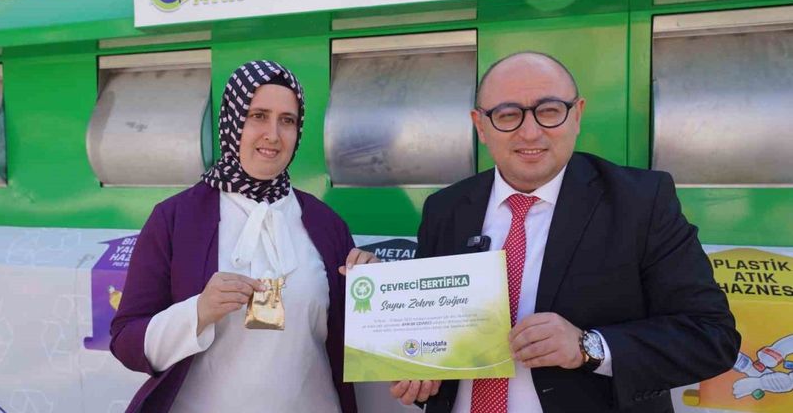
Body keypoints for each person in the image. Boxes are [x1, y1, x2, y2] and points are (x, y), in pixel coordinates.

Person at [390, 52, 740, 412]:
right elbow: (431, 341)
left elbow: (711, 336)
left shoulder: (641, 202)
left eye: (549, 111)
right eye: (507, 115)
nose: (530, 132)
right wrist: (417, 372)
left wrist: (589, 347)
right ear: (480, 125)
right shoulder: (444, 209)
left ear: (577, 114)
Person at [110, 60, 375, 413]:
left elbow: (358, 342)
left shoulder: (327, 225)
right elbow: (126, 341)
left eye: (287, 120)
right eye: (258, 116)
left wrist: (373, 289)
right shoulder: (175, 219)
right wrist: (198, 312)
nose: (273, 135)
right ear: (232, 121)